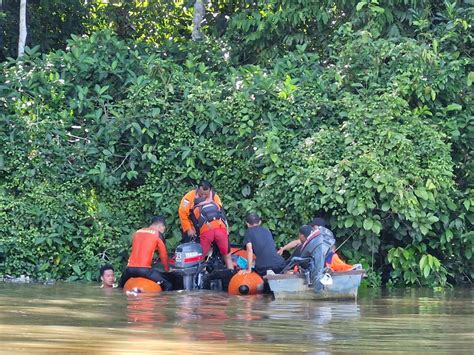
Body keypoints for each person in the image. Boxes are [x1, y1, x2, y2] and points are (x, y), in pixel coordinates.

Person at [179, 180, 233, 269]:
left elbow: (220, 213)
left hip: (208, 229)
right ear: (197, 189)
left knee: (208, 255)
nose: (203, 197)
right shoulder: (189, 197)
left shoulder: (215, 197)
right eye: (201, 195)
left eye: (206, 195)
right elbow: (182, 213)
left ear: (210, 191)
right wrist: (188, 228)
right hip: (194, 228)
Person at [118, 216, 172, 290]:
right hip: (144, 270)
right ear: (160, 226)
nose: (163, 231)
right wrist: (167, 270)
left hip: (129, 270)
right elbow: (163, 256)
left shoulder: (137, 232)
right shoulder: (157, 234)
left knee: (120, 286)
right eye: (163, 229)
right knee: (168, 285)